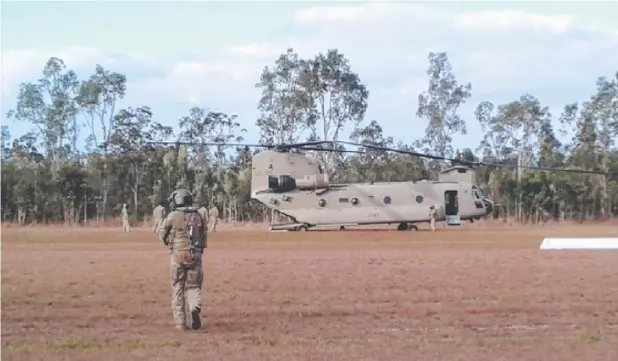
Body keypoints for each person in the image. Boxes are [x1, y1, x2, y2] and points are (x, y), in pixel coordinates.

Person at [158, 189, 207, 331]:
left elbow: (162, 235)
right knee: (193, 286)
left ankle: (180, 323)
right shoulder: (198, 215)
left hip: (178, 255)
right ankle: (194, 307)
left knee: (177, 287)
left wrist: (169, 244)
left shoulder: (172, 216)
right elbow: (203, 236)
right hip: (195, 254)